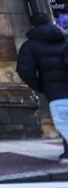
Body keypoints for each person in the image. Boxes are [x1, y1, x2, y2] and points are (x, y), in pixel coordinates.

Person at [16, 13, 68, 164]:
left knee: (64, 122)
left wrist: (39, 85)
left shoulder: (30, 45)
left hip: (55, 92)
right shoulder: (65, 38)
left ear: (32, 25)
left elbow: (25, 70)